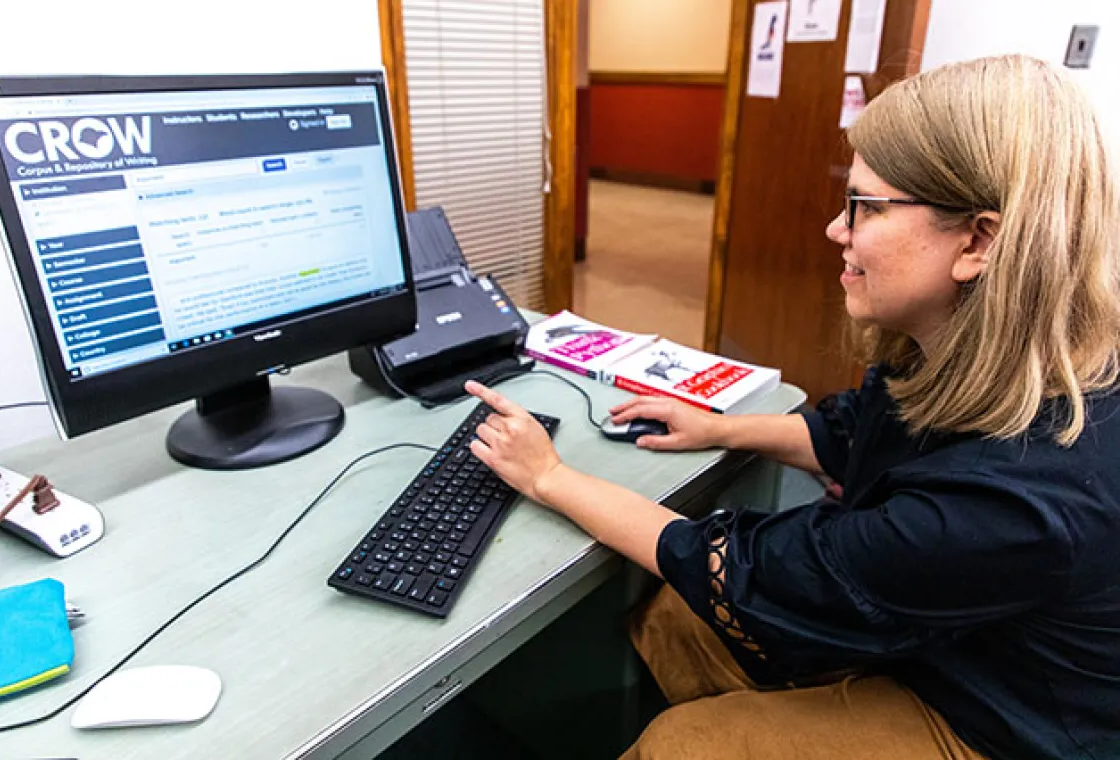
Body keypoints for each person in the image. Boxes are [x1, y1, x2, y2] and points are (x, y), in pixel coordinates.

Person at [464, 54, 1120, 760]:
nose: (838, 230)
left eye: (865, 208)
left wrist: (550, 479)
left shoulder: (1020, 497)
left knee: (681, 747)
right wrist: (720, 425)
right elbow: (857, 427)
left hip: (1007, 715)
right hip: (949, 628)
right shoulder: (967, 352)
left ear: (978, 241)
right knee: (673, 624)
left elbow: (747, 568)